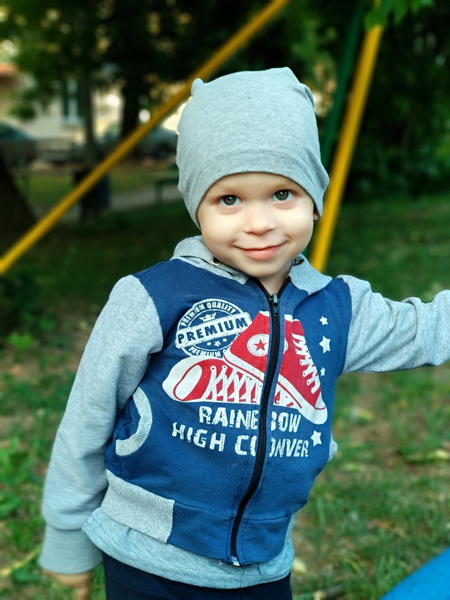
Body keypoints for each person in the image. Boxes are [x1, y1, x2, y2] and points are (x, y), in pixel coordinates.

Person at [39, 68, 450, 600]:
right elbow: (87, 419)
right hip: (146, 558)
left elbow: (426, 329)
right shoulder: (154, 296)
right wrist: (67, 538)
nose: (258, 222)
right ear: (197, 206)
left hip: (262, 565)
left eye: (282, 193)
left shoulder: (338, 309)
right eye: (229, 200)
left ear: (314, 198)